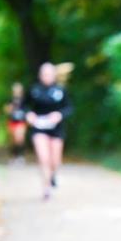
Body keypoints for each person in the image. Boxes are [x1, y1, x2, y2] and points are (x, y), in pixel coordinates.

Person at [25, 63, 73, 200]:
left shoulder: (60, 90)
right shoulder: (34, 90)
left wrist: (59, 115)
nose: (47, 76)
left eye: (49, 74)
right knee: (43, 158)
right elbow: (24, 106)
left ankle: (53, 175)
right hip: (39, 127)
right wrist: (29, 114)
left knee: (55, 160)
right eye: (44, 74)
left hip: (56, 128)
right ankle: (46, 188)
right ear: (40, 75)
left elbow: (69, 108)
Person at [5, 82, 28, 164]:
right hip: (12, 121)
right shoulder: (10, 99)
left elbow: (28, 110)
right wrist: (10, 109)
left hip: (21, 122)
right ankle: (14, 156)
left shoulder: (24, 99)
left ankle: (20, 156)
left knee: (20, 139)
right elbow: (6, 110)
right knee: (13, 140)